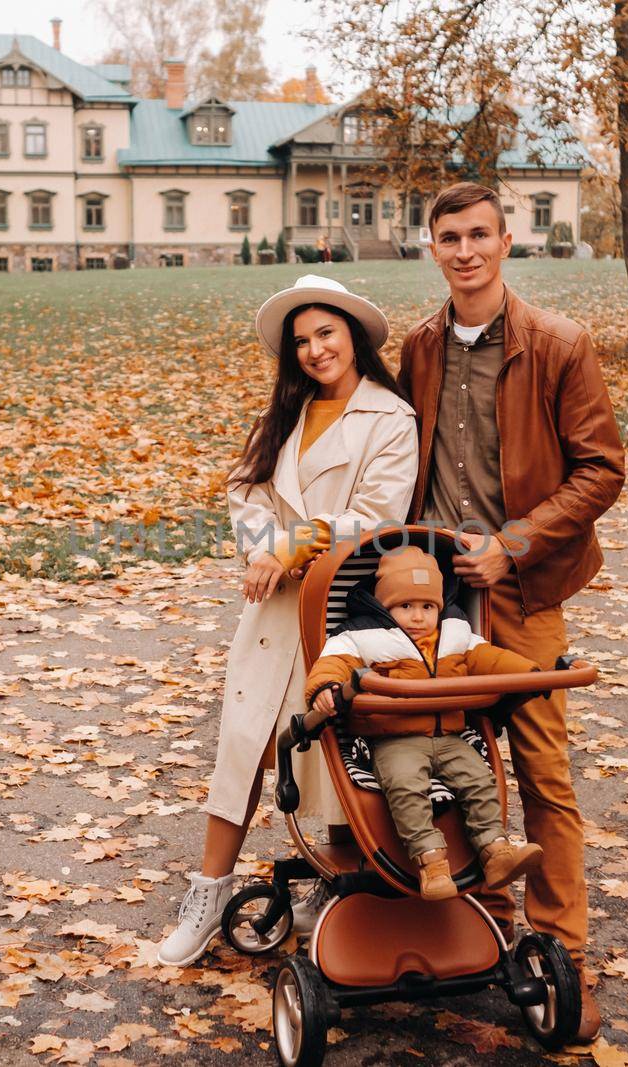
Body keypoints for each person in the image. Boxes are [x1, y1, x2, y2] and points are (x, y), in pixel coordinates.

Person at [397, 181, 625, 1040]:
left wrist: (516, 542)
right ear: (433, 247)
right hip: (435, 602)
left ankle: (565, 956)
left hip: (523, 593)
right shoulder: (419, 347)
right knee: (446, 755)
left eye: (480, 234)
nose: (466, 251)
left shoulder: (558, 345)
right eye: (449, 237)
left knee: (541, 772)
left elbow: (602, 469)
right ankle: (482, 930)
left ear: (507, 239)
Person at [157, 275, 418, 967]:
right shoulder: (289, 413)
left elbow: (383, 515)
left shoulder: (390, 417)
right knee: (242, 744)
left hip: (340, 608)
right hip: (273, 608)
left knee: (334, 756)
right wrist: (263, 546)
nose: (313, 349)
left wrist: (296, 543)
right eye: (301, 341)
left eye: (325, 333)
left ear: (353, 336)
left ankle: (338, 888)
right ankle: (209, 893)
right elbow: (247, 485)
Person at [304, 545, 544, 899]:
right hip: (393, 740)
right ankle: (430, 862)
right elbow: (333, 662)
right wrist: (325, 688)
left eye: (427, 607)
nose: (418, 617)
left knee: (479, 780)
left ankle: (496, 852)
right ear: (384, 606)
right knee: (405, 786)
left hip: (450, 736)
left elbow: (489, 658)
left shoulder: (455, 633)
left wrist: (532, 673)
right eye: (406, 607)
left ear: (439, 607)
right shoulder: (363, 637)